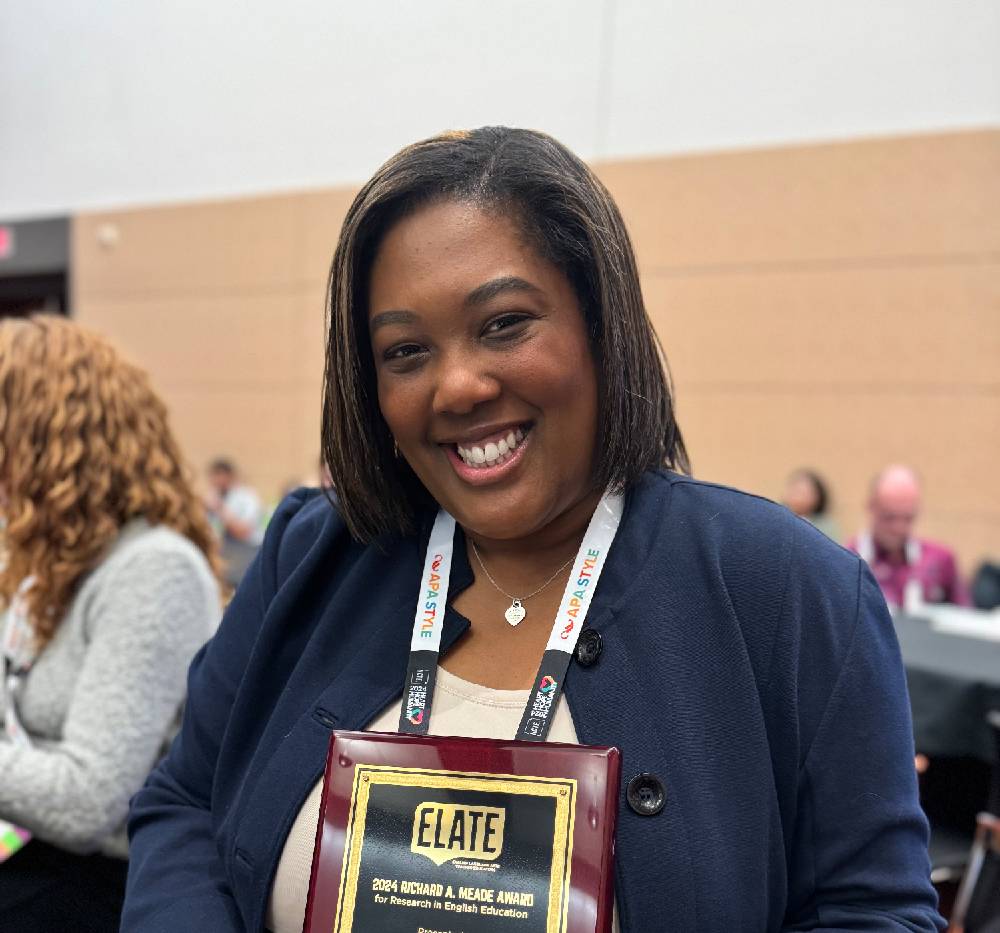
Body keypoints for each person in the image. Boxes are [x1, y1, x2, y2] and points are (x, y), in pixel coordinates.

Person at [123, 128, 942, 931]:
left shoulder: (791, 593)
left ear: (599, 321)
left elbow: (873, 911)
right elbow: (184, 802)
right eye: (406, 351)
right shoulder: (314, 557)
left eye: (504, 323)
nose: (458, 386)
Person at [0, 316, 222, 931]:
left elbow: (87, 801)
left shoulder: (154, 570)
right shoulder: (47, 563)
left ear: (47, 443)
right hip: (37, 850)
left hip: (108, 879)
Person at [847, 464, 971, 610]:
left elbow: (966, 618)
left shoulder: (940, 559)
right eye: (889, 517)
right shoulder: (849, 558)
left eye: (908, 518)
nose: (899, 528)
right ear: (871, 507)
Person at [204, 457, 264, 586]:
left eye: (219, 475)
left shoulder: (247, 498)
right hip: (225, 555)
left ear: (229, 476)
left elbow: (243, 531)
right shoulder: (211, 499)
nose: (215, 481)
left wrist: (219, 508)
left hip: (246, 553)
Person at [781, 467, 840, 540]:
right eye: (795, 491)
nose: (799, 498)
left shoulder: (826, 526)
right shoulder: (779, 518)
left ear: (818, 497)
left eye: (804, 493)